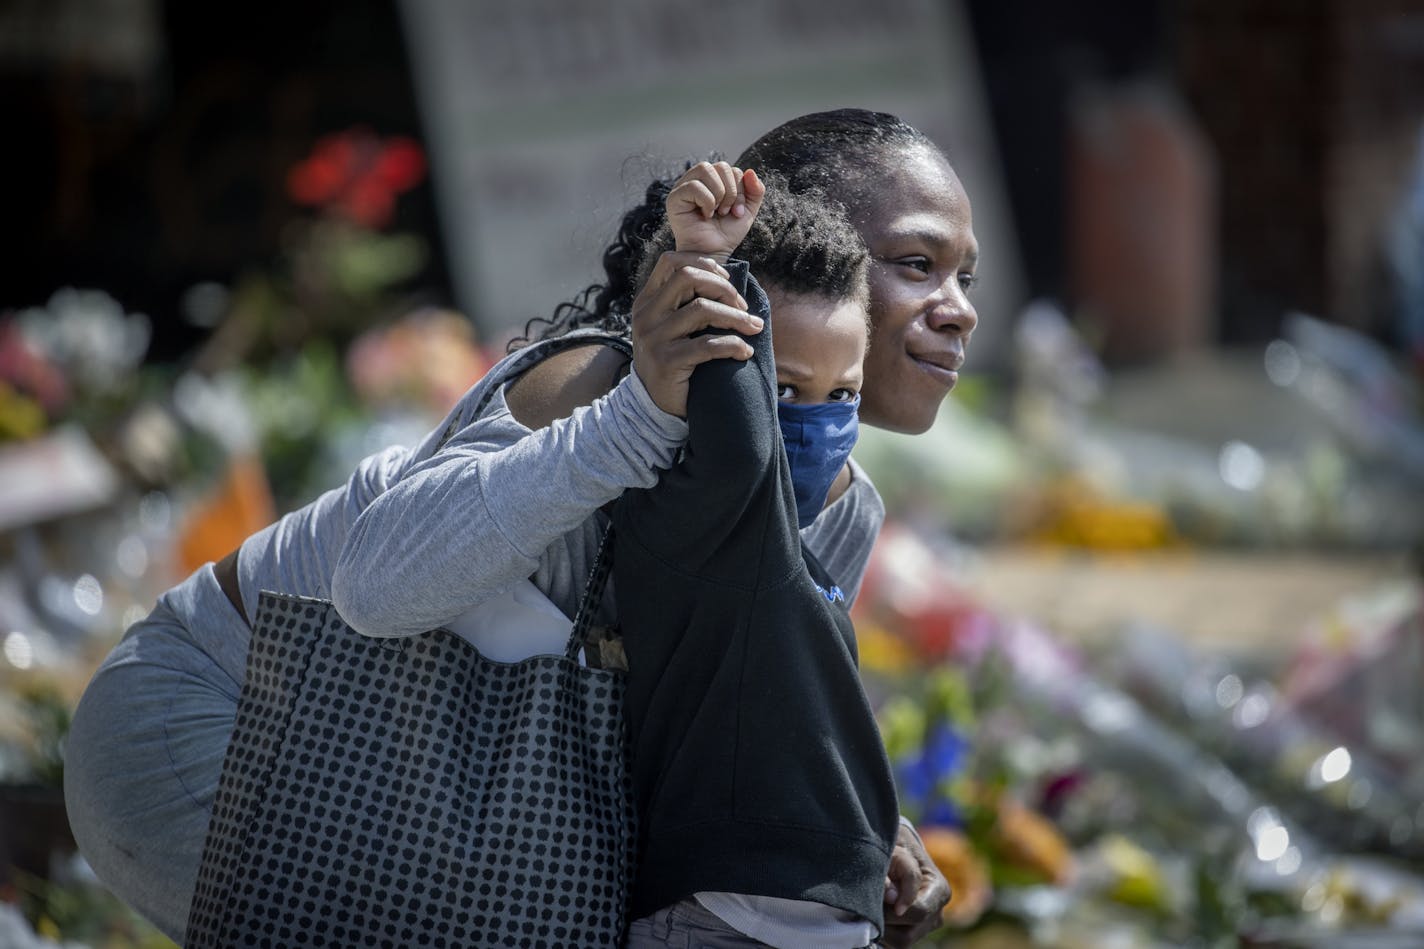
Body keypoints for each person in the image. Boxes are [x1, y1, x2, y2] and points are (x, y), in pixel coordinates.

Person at [63, 108, 975, 947]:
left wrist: (863, 830)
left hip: (421, 793)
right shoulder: (599, 387)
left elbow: (736, 710)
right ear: (791, 251)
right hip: (230, 729)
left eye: (964, 276)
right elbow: (375, 589)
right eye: (917, 264)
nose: (958, 309)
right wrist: (639, 420)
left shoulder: (840, 509)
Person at [615, 161, 900, 948]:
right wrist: (709, 259)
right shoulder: (712, 519)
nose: (821, 425)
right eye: (782, 389)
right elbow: (741, 451)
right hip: (726, 921)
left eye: (843, 394)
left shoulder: (802, 543)